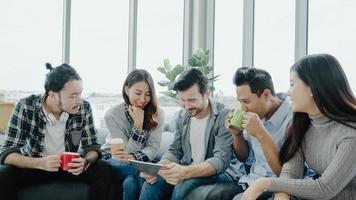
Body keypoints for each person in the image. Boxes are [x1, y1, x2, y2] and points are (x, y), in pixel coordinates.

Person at [241, 54, 356, 200]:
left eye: (292, 84)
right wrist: (281, 196)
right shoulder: (303, 124)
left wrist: (263, 184)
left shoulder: (351, 132)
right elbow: (290, 174)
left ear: (312, 88)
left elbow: (325, 188)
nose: (288, 92)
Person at [0, 63, 112, 200]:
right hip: (36, 166)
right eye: (73, 96)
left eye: (80, 94)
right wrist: (40, 163)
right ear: (53, 95)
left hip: (69, 168)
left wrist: (85, 161)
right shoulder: (26, 106)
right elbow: (7, 152)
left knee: (103, 169)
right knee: (4, 173)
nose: (79, 101)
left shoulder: (83, 108)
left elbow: (93, 147)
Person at [190, 67, 293, 200]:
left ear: (266, 94)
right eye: (240, 102)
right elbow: (244, 157)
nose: (243, 108)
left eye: (246, 101)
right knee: (196, 196)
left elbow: (287, 174)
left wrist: (261, 134)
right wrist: (237, 135)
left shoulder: (293, 120)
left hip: (276, 186)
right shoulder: (255, 115)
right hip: (250, 180)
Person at [139, 68, 242, 200]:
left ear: (206, 94)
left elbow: (220, 160)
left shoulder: (224, 116)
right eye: (182, 100)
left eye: (191, 100)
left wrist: (184, 172)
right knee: (151, 184)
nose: (186, 106)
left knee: (183, 187)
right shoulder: (182, 116)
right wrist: (159, 168)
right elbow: (175, 151)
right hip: (189, 169)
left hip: (220, 174)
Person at [101, 69, 164, 200]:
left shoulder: (158, 113)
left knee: (130, 184)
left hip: (140, 161)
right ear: (126, 90)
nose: (143, 99)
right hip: (114, 160)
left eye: (148, 94)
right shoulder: (112, 115)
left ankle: (141, 172)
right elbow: (124, 154)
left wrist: (136, 161)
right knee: (145, 173)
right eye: (138, 93)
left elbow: (153, 147)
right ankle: (141, 172)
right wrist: (138, 125)